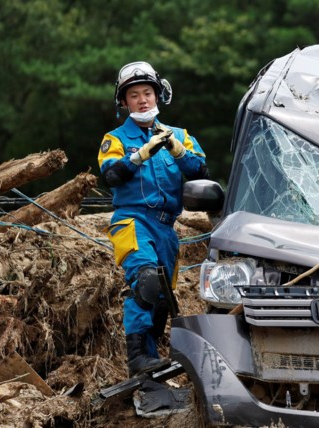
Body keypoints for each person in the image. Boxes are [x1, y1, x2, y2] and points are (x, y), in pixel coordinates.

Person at [97, 61, 209, 376]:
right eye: (134, 95)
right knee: (146, 281)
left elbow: (201, 171)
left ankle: (150, 360)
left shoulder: (181, 135)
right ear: (123, 102)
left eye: (148, 93)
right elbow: (112, 175)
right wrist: (139, 155)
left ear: (159, 96)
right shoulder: (115, 138)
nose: (142, 100)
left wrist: (177, 150)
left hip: (165, 228)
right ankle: (136, 360)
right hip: (131, 220)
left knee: (161, 297)